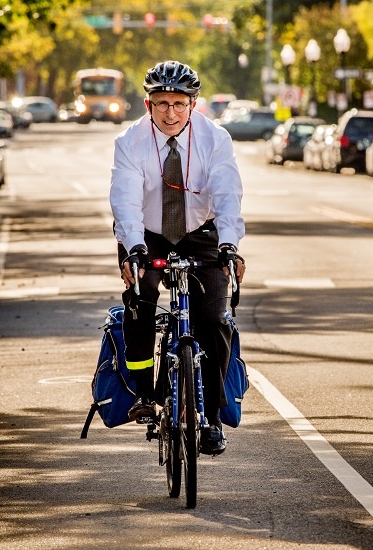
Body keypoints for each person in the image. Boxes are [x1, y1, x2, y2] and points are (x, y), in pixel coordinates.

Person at [109, 60, 245, 455]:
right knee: (140, 300)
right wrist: (132, 248)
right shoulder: (130, 142)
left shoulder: (214, 139)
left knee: (215, 317)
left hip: (200, 233)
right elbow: (126, 199)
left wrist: (230, 243)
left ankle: (214, 416)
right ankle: (145, 394)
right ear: (147, 104)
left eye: (179, 104)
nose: (170, 113)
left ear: (193, 104)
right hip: (146, 234)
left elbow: (226, 192)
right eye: (161, 103)